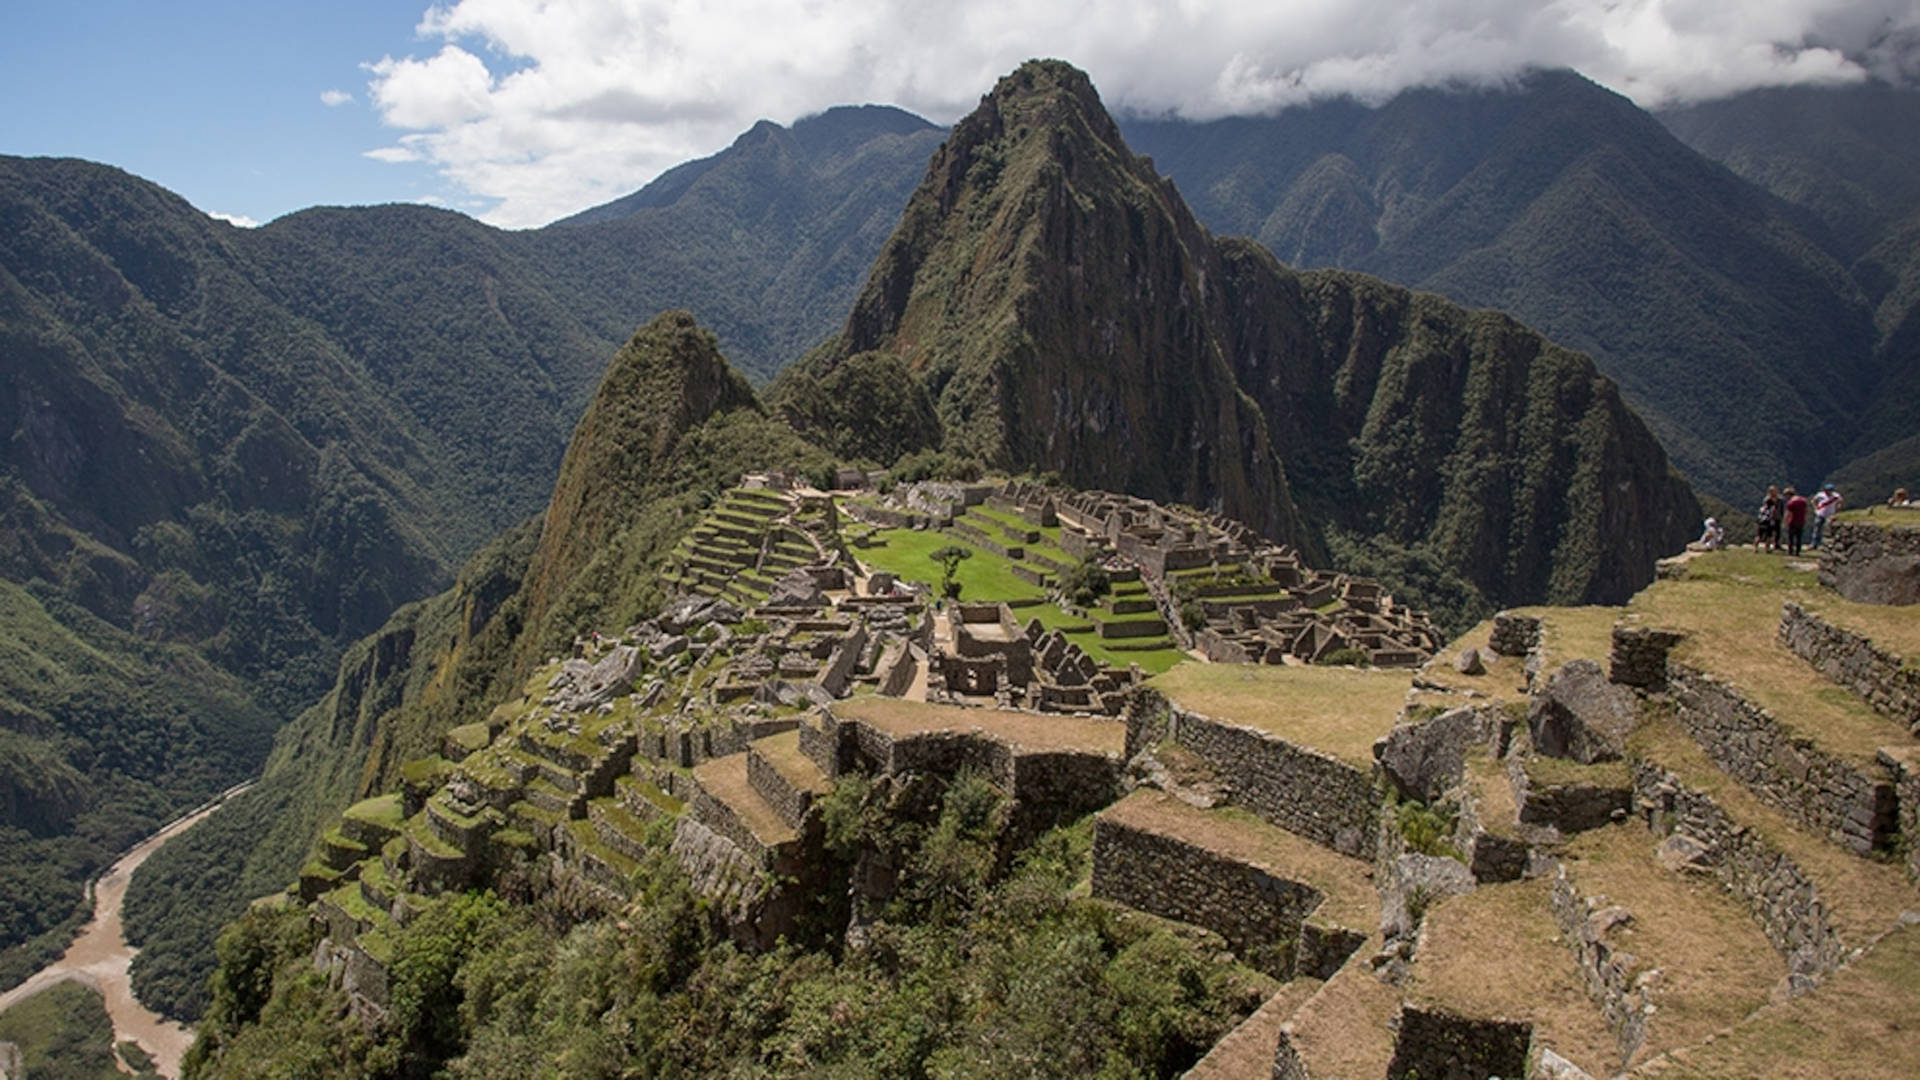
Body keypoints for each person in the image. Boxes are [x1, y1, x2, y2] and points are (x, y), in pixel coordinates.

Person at [1811, 484, 1843, 548]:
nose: (1829, 491)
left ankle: (1827, 544)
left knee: (1829, 530)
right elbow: (1813, 500)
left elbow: (1841, 502)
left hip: (1830, 515)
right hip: (1820, 514)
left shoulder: (1836, 496)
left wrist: (1837, 509)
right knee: (1817, 530)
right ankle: (1814, 544)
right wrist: (1815, 508)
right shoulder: (1820, 495)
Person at [1783, 486, 1809, 557]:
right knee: (1799, 537)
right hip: (1801, 521)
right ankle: (1798, 552)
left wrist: (1785, 522)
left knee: (1791, 537)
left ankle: (1790, 551)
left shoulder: (1791, 502)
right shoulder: (1803, 500)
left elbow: (1788, 513)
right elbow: (1806, 510)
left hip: (1793, 521)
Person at [1755, 485, 1782, 552]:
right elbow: (1774, 513)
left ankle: (1755, 548)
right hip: (1769, 521)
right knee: (1768, 536)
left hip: (1761, 521)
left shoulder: (1763, 508)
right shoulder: (1772, 507)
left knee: (1759, 535)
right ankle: (1767, 549)